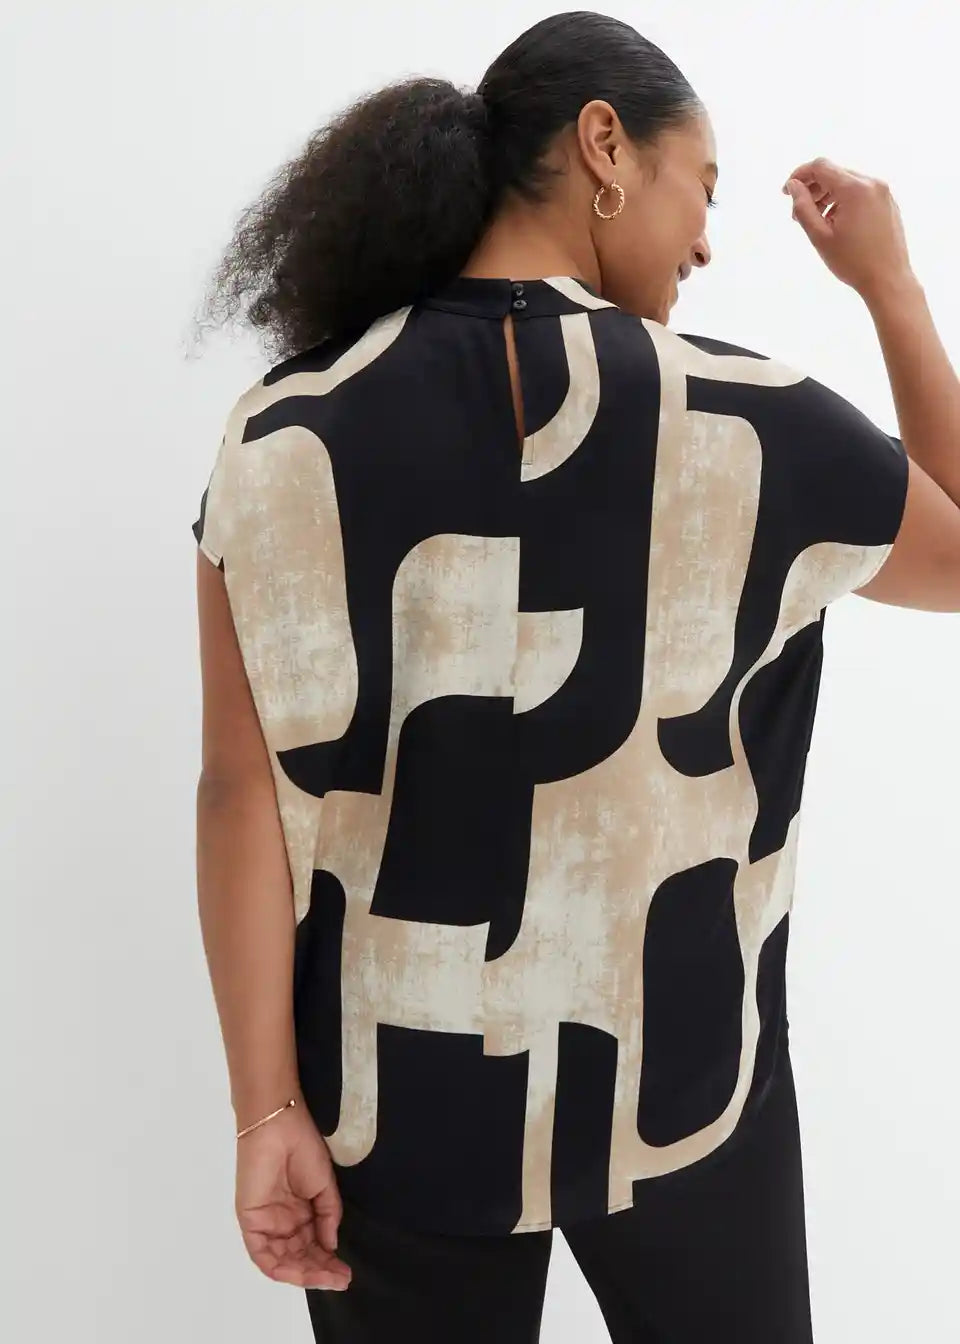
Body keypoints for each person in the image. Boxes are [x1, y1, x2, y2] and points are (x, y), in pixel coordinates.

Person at [191, 10, 960, 1343]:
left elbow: (236, 794)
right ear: (606, 144)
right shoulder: (753, 419)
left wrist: (267, 1112)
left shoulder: (280, 432)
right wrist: (890, 286)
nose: (705, 241)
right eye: (702, 186)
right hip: (683, 1089)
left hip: (389, 1106)